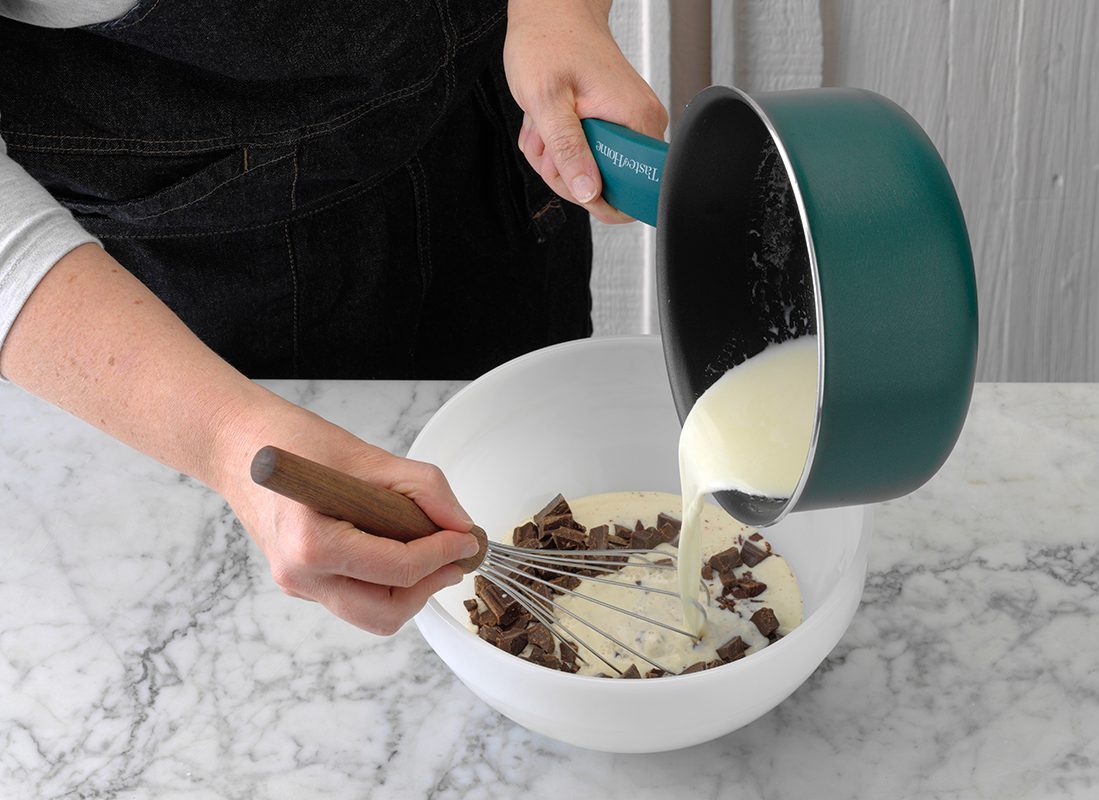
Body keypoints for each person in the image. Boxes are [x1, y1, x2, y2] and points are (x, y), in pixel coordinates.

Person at [0, 0, 666, 634]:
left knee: (533, 485)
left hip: (485, 155)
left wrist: (558, 16)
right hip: (166, 308)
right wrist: (226, 437)